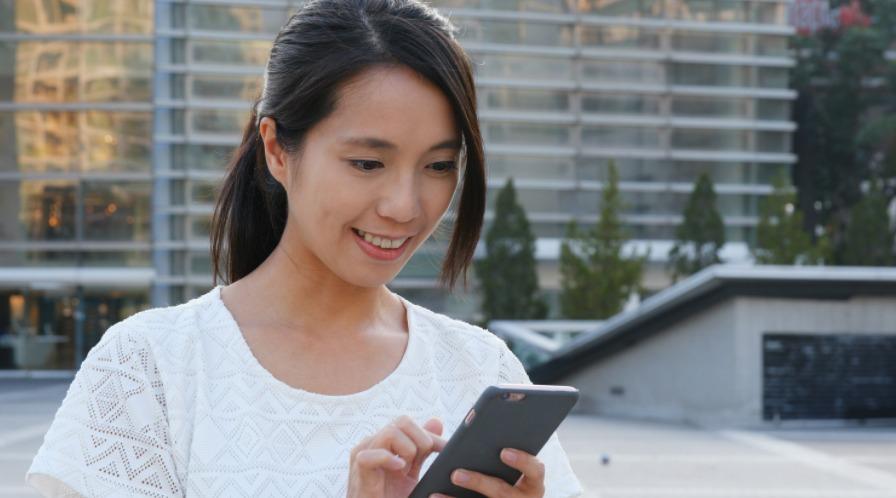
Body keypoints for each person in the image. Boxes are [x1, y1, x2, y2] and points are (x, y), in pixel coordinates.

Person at [25, 0, 584, 496]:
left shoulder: (479, 369)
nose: (406, 206)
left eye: (439, 166)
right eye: (368, 163)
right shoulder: (152, 369)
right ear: (277, 150)